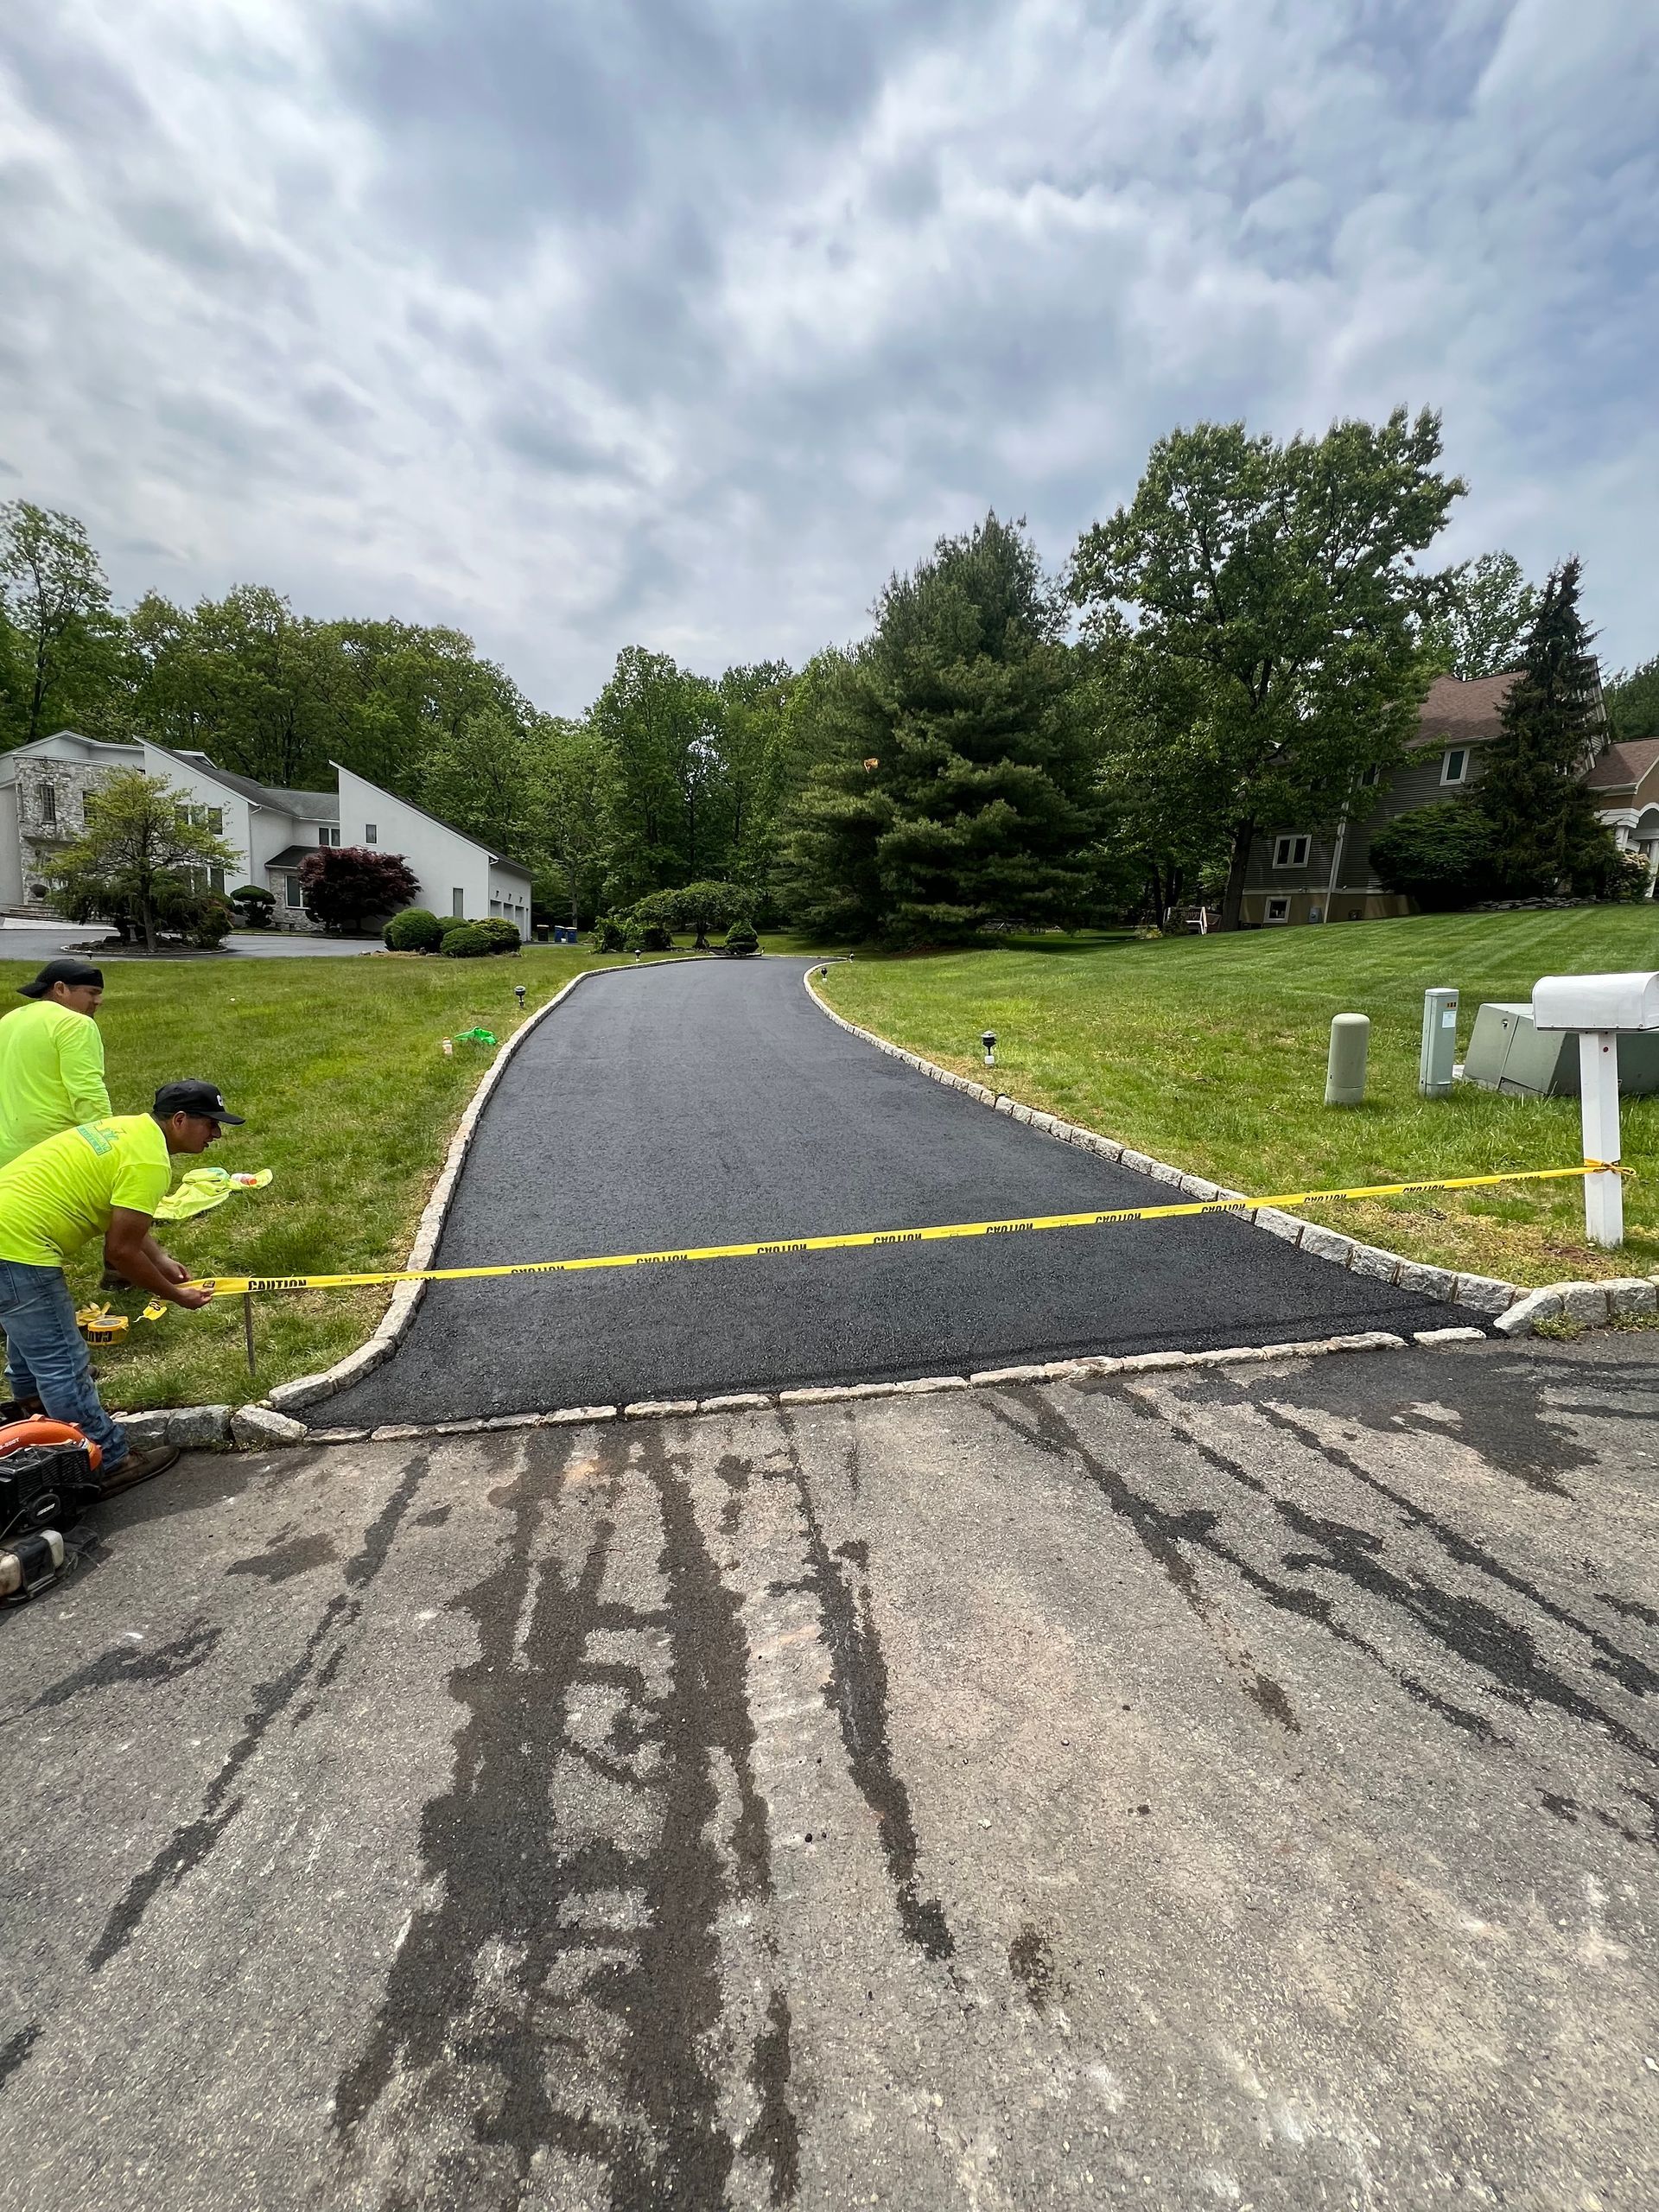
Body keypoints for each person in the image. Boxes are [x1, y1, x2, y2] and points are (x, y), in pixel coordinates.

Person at [0, 1079, 245, 1491]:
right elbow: (120, 1252)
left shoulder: (129, 1130)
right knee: (63, 1361)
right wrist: (177, 1296)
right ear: (180, 1120)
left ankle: (33, 1406)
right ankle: (108, 1460)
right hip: (16, 1246)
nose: (217, 1134)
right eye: (211, 1124)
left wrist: (161, 1258)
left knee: (32, 1337)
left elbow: (123, 1214)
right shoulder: (150, 1162)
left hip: (8, 1230)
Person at [0, 959, 111, 1171]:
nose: (99, 1000)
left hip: (7, 1150)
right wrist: (108, 1141)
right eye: (92, 992)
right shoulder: (75, 1023)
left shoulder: (9, 1019)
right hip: (55, 1149)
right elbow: (87, 1089)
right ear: (60, 989)